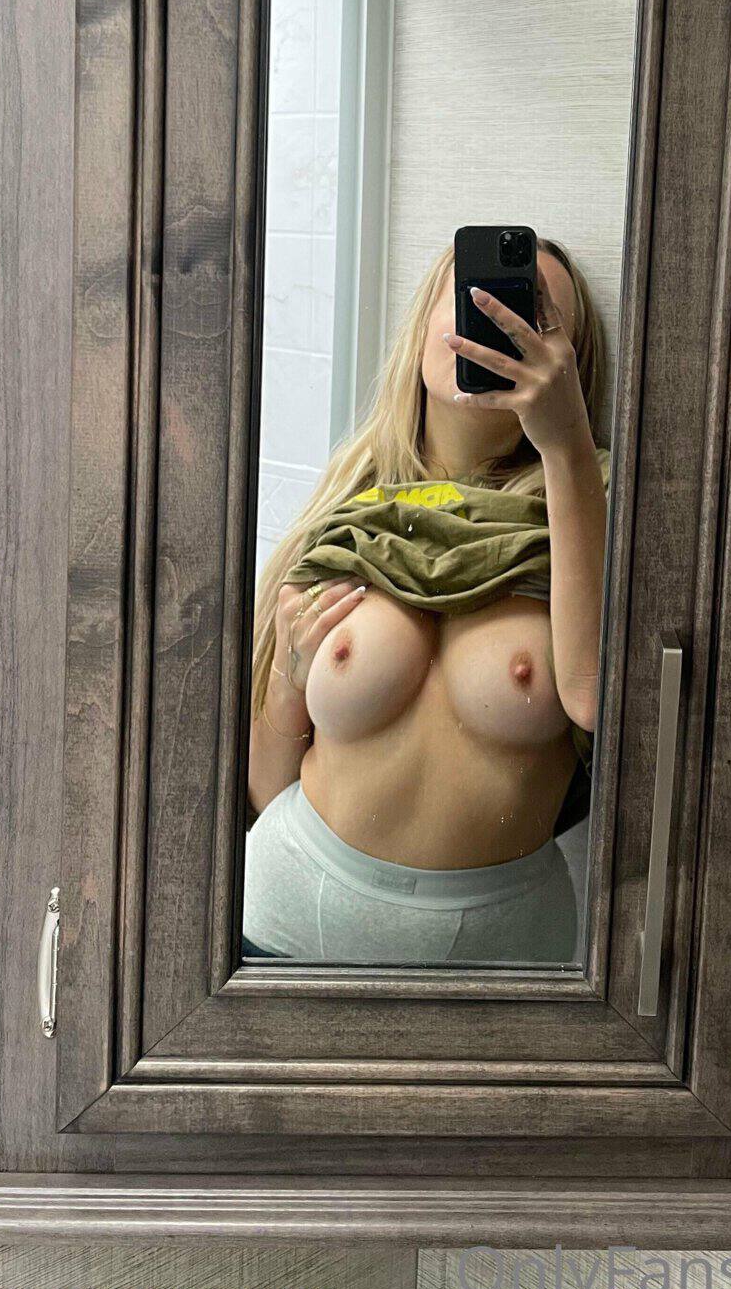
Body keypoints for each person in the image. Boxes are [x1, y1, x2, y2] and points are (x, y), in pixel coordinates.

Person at [241, 237, 608, 965]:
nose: (495, 320)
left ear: (571, 365)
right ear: (422, 326)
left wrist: (565, 444)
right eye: (471, 295)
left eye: (533, 314)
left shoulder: (592, 507)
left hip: (502, 966)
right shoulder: (347, 507)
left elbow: (596, 699)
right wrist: (288, 672)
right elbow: (266, 789)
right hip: (281, 929)